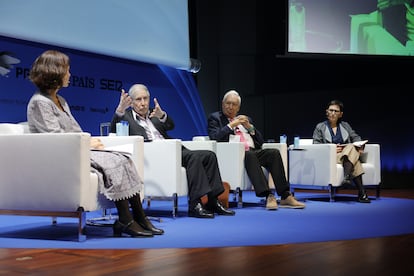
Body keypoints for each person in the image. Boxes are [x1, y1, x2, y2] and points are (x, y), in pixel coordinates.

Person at [26, 50, 164, 238]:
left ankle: (139, 216)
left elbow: (75, 130)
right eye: (67, 70)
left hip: (75, 150)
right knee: (113, 162)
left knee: (123, 158)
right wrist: (87, 143)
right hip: (59, 156)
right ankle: (126, 220)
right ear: (55, 72)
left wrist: (89, 141)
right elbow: (54, 137)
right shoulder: (39, 102)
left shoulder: (61, 100)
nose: (69, 75)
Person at [110, 83, 236, 219]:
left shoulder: (154, 113)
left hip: (171, 149)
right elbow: (113, 130)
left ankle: (212, 201)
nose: (143, 103)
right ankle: (195, 204)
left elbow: (171, 125)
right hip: (154, 155)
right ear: (132, 102)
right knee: (193, 158)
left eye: (145, 99)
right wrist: (120, 111)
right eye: (138, 99)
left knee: (209, 156)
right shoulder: (127, 117)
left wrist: (162, 115)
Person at [207, 89, 305, 210]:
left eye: (234, 104)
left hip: (253, 152)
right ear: (222, 104)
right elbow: (215, 137)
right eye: (228, 103)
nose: (230, 107)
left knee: (273, 153)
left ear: (238, 108)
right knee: (249, 155)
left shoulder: (245, 119)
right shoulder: (215, 118)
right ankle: (268, 195)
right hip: (234, 154)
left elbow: (260, 142)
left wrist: (249, 127)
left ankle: (285, 196)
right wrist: (231, 125)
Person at [312, 99, 371, 203]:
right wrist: (332, 149)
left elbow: (355, 137)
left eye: (336, 111)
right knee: (353, 154)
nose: (333, 113)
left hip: (345, 156)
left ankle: (348, 178)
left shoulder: (345, 126)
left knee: (351, 148)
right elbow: (316, 145)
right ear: (327, 111)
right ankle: (361, 192)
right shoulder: (320, 127)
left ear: (341, 114)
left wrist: (360, 145)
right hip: (331, 157)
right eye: (331, 110)